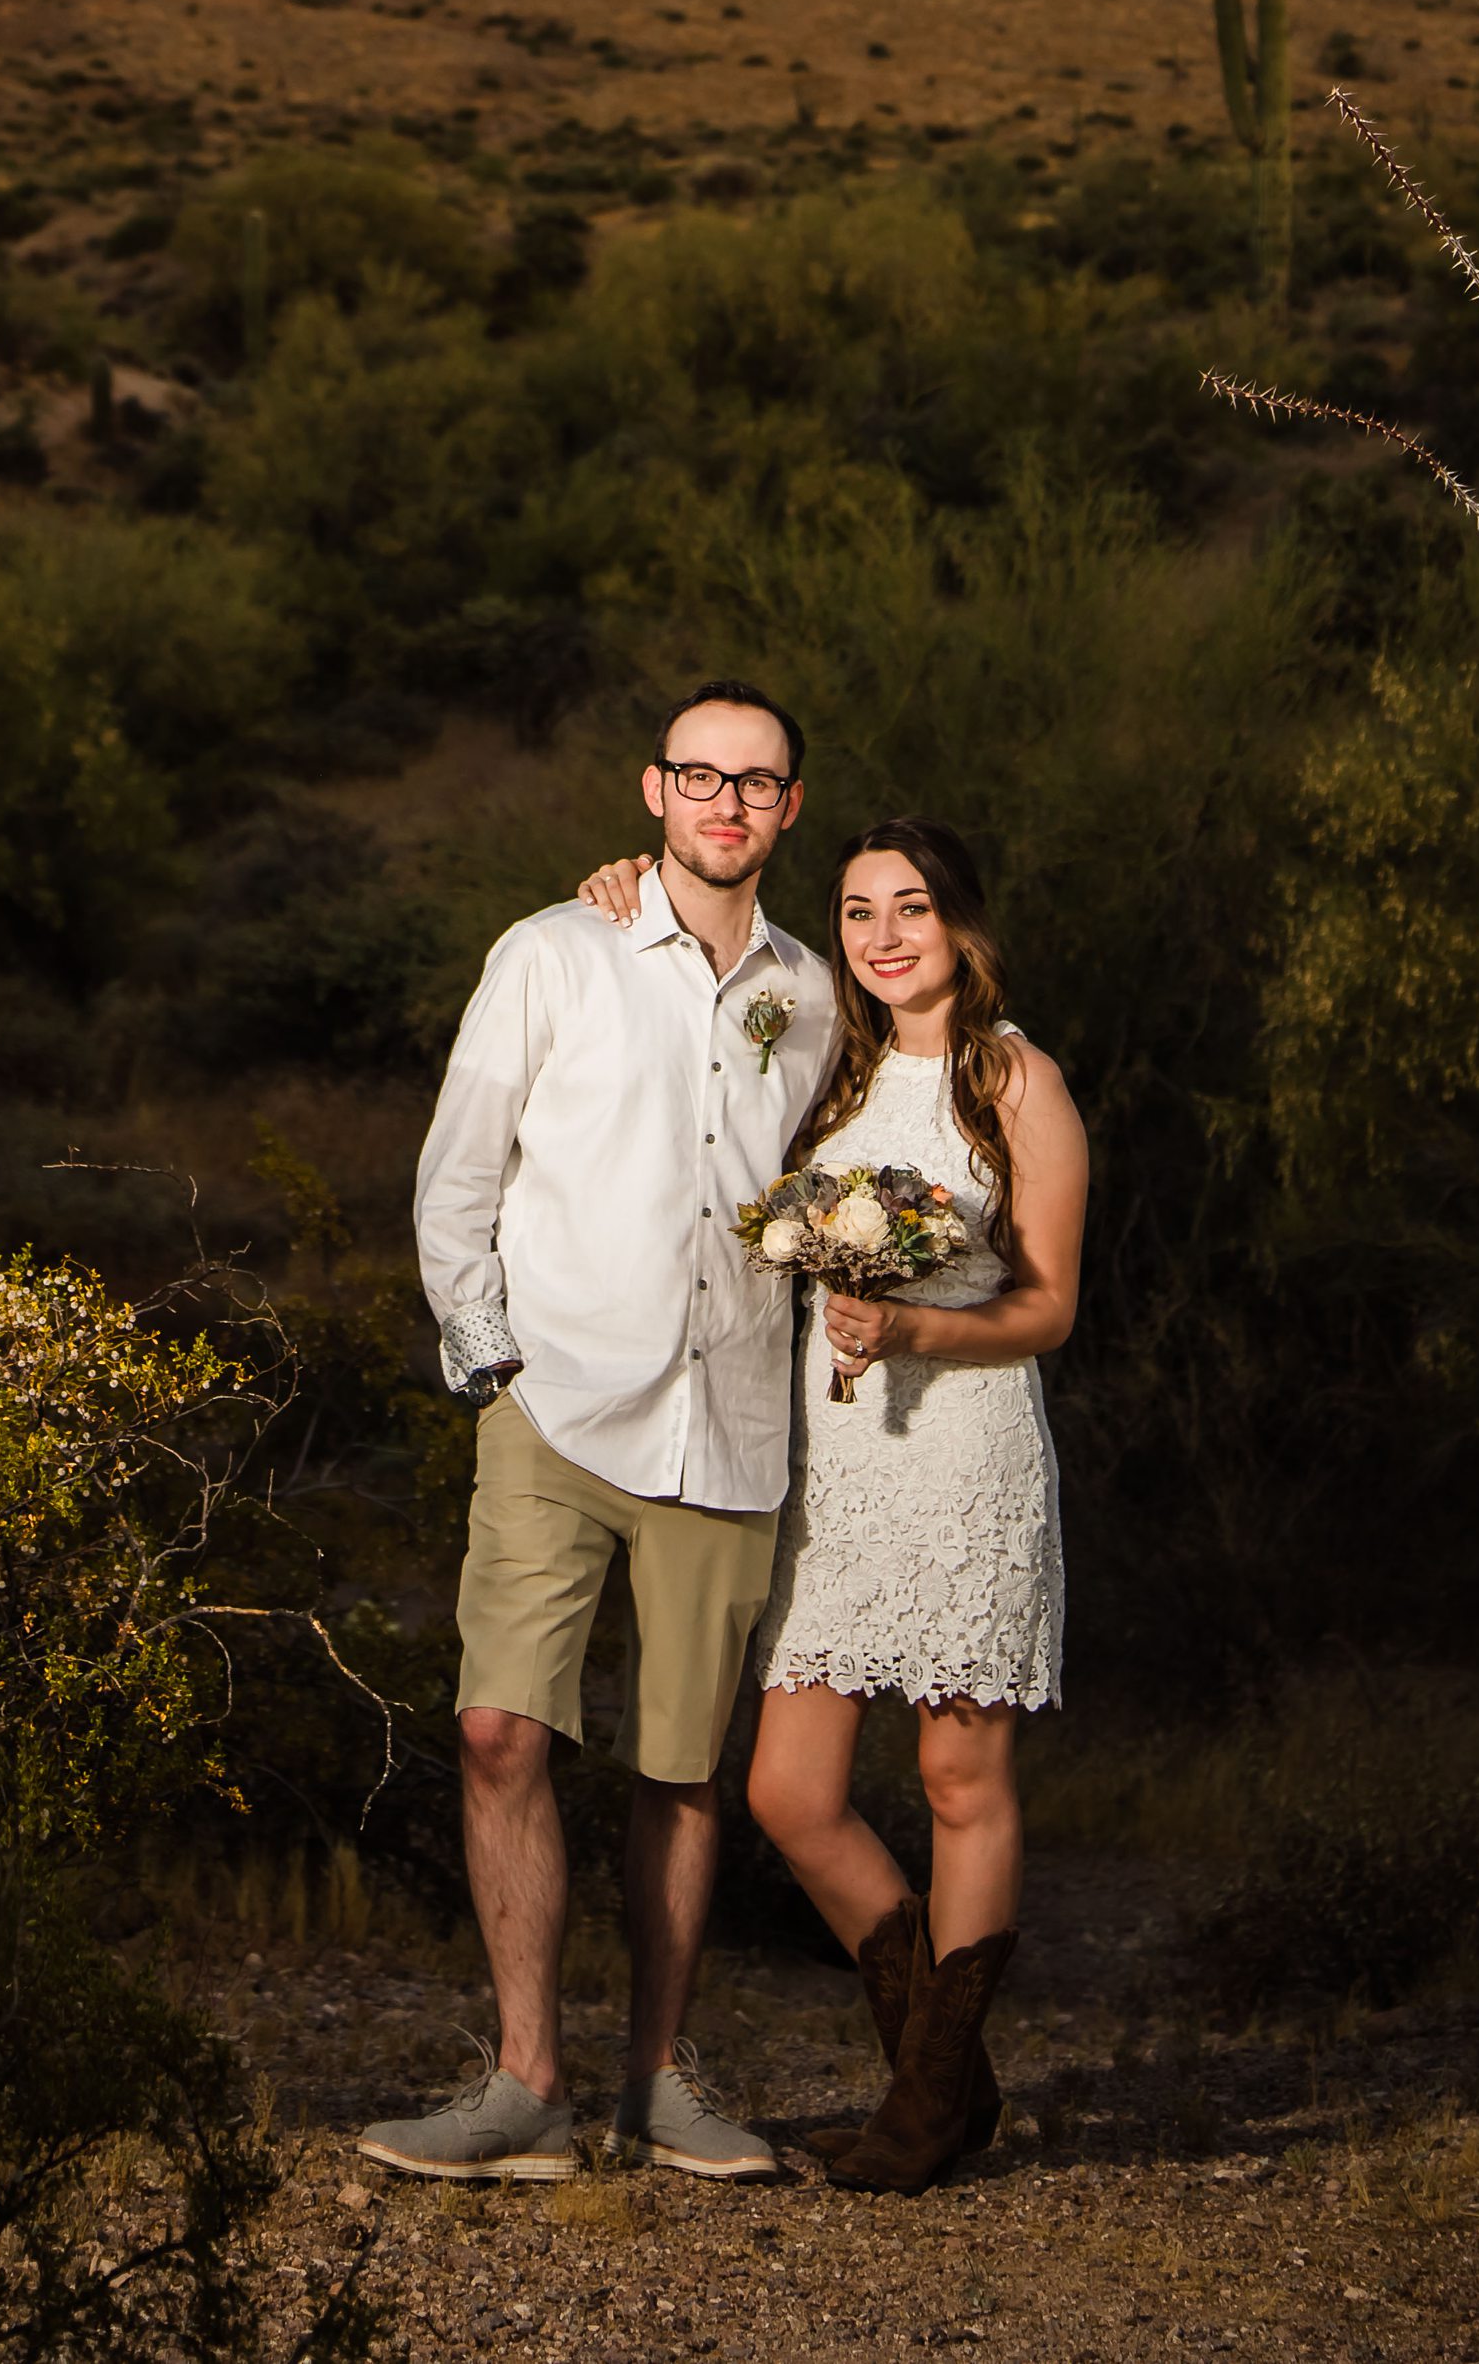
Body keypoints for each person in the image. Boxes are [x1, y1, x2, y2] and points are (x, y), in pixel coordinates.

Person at [358, 687, 834, 2184]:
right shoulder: (553, 951)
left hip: (730, 1417)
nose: (727, 803)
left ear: (789, 812)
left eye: (757, 783)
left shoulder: (815, 996)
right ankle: (524, 2088)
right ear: (653, 790)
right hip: (556, 1404)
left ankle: (657, 2084)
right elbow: (459, 1171)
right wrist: (492, 1363)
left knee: (683, 1770)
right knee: (500, 1727)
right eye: (702, 775)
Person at [577, 815, 1085, 2194]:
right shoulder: (823, 1059)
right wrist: (625, 890)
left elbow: (1051, 1307)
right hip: (837, 1465)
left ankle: (919, 2116)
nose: (883, 937)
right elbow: (693, 975)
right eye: (858, 913)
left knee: (957, 1776)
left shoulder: (1015, 1081)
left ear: (960, 923)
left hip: (967, 1450)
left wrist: (918, 1333)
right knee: (790, 1792)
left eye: (911, 908)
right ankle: (954, 2081)